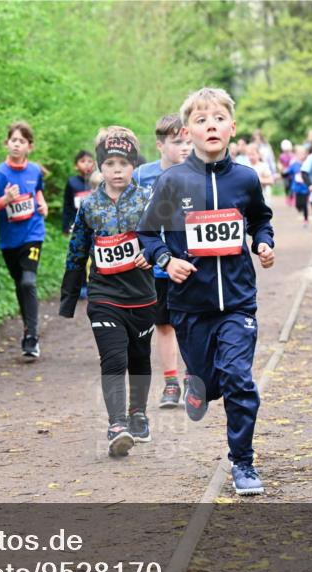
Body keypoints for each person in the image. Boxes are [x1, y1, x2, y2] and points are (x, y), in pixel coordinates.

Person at [138, 87, 275, 497]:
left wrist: (263, 242)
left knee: (238, 379)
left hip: (237, 301)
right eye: (201, 120)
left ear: (232, 128)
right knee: (209, 377)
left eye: (218, 119)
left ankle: (243, 462)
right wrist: (166, 261)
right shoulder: (172, 181)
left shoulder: (246, 179)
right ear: (187, 132)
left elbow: (260, 220)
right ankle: (199, 382)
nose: (210, 125)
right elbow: (148, 233)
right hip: (190, 305)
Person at [59, 127, 156, 457]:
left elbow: (166, 240)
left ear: (133, 167)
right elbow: (77, 251)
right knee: (113, 358)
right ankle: (117, 424)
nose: (117, 170)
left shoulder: (147, 200)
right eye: (110, 163)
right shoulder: (89, 207)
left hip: (143, 295)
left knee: (139, 357)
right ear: (100, 167)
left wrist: (153, 254)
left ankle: (138, 411)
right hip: (104, 295)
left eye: (124, 164)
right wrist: (69, 298)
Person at [134, 114, 192, 409]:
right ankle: (171, 383)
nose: (184, 147)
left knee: (191, 323)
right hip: (156, 264)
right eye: (177, 142)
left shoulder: (198, 173)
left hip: (190, 262)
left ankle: (193, 377)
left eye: (187, 141)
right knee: (165, 324)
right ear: (160, 144)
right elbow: (130, 213)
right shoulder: (142, 175)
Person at [0, 121, 49, 360]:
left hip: (33, 234)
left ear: (30, 146)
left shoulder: (34, 171)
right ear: (6, 143)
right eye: (13, 140)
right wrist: (5, 200)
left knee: (29, 282)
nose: (17, 145)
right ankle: (28, 328)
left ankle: (31, 338)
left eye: (22, 141)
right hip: (10, 241)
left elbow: (37, 192)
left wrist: (43, 203)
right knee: (20, 283)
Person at [62, 150, 95, 235]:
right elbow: (67, 206)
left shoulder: (99, 181)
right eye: (83, 161)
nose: (87, 164)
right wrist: (65, 227)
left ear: (94, 165)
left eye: (90, 161)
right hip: (78, 225)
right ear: (76, 166)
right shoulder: (72, 182)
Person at [288, 146, 311, 226]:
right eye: (299, 154)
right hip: (297, 188)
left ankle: (306, 219)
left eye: (303, 154)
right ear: (296, 155)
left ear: (305, 155)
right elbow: (289, 172)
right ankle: (299, 209)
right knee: (298, 205)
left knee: (304, 204)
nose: (301, 156)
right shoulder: (294, 165)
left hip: (305, 188)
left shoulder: (307, 164)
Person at [278, 139, 295, 207]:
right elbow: (279, 163)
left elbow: (293, 163)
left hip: (291, 174)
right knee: (286, 186)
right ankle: (287, 197)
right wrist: (281, 168)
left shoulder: (292, 155)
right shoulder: (281, 156)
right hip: (284, 174)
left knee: (291, 186)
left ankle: (291, 198)